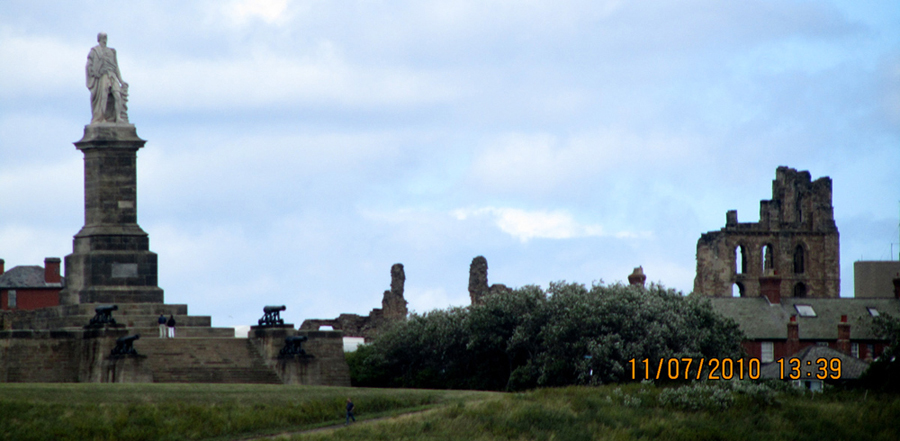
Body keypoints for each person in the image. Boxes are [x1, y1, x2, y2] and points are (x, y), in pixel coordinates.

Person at [85, 32, 129, 124]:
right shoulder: (95, 51)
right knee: (103, 97)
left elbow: (116, 66)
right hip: (103, 76)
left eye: (106, 37)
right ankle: (101, 118)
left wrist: (121, 80)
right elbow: (89, 65)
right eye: (102, 37)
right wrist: (94, 72)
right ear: (99, 39)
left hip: (112, 75)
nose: (104, 39)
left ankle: (118, 117)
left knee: (117, 96)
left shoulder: (112, 51)